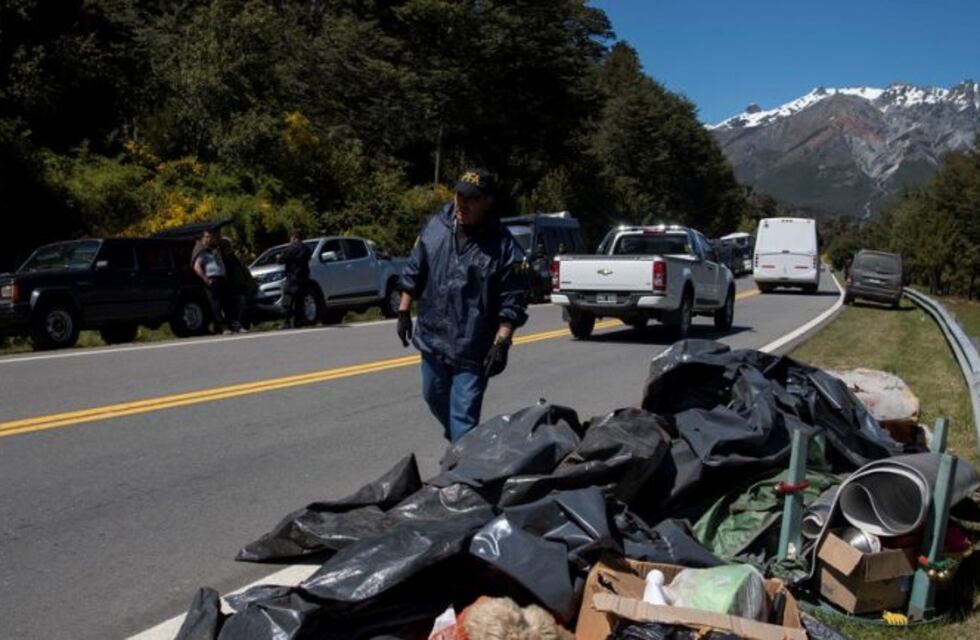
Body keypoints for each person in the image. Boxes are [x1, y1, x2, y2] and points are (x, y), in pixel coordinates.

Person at [396, 168, 528, 442]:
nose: (462, 203)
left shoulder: (503, 246)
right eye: (459, 195)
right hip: (433, 337)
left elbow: (512, 299)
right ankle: (462, 443)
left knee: (464, 418)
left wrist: (502, 342)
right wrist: (404, 310)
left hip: (473, 346)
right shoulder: (436, 228)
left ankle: (461, 453)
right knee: (432, 395)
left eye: (472, 198)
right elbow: (414, 270)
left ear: (488, 201)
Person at [192, 228, 232, 334]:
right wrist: (206, 279)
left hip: (221, 277)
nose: (209, 239)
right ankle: (221, 326)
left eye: (211, 237)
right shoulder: (201, 251)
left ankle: (229, 324)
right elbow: (197, 267)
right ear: (202, 238)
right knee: (216, 303)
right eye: (207, 237)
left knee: (225, 302)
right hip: (212, 279)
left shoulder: (215, 249)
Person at [219, 236, 255, 333]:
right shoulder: (221, 258)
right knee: (231, 307)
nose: (230, 247)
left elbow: (242, 269)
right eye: (227, 245)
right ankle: (234, 325)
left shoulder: (233, 257)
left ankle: (238, 324)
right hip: (228, 286)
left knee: (240, 304)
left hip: (238, 285)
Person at [277, 228, 312, 328]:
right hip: (303, 277)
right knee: (300, 301)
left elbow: (280, 260)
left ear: (294, 237)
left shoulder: (290, 248)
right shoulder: (306, 249)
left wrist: (279, 258)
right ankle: (299, 321)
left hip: (292, 277)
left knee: (287, 300)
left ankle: (287, 322)